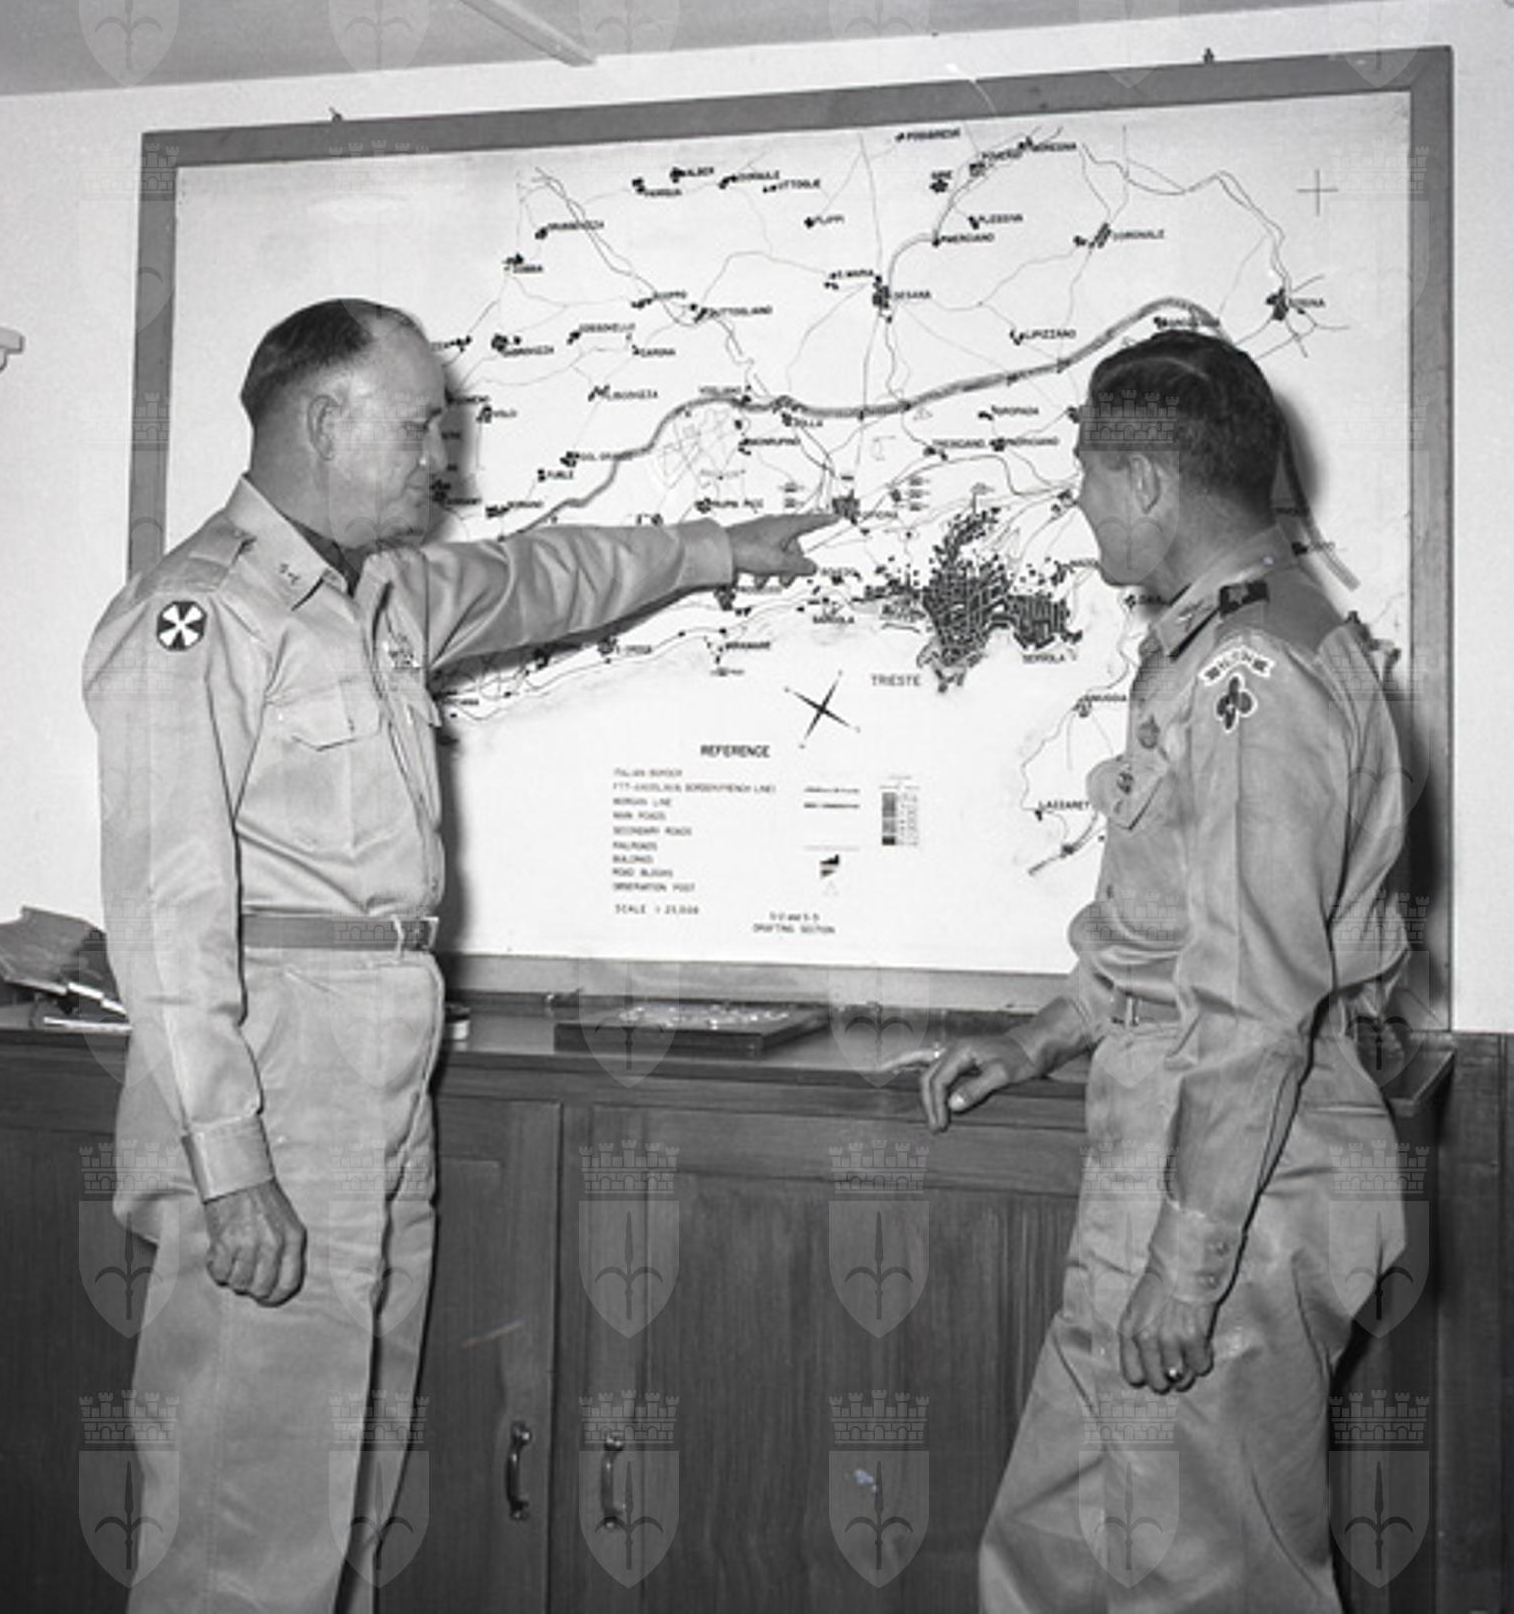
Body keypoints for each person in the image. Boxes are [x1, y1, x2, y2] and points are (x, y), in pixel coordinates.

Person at [83, 298, 828, 1613]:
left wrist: (715, 550)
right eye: (420, 426)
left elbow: (543, 577)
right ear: (325, 419)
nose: (443, 459)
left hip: (381, 1049)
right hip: (271, 1065)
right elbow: (165, 910)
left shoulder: (379, 594)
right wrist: (231, 1164)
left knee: (348, 1478)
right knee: (245, 1503)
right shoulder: (197, 615)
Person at [920, 330, 1410, 1613]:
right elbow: (1179, 921)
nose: (1078, 498)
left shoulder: (1255, 674)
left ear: (1143, 481)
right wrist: (1041, 1034)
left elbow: (1253, 998)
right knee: (1061, 1551)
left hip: (1234, 1174)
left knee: (1199, 1574)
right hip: (1181, 1142)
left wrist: (1184, 1268)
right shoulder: (1222, 643)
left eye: (1085, 471)